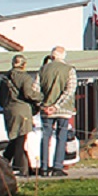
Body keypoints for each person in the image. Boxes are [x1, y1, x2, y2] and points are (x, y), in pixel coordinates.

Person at [0, 54, 41, 177]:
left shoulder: (5, 78)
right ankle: (21, 168)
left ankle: (4, 161)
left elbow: (0, 97)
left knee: (14, 138)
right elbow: (28, 94)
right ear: (24, 64)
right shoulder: (25, 78)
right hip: (22, 110)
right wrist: (40, 97)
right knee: (21, 138)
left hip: (9, 110)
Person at [38, 46, 78, 177]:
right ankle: (57, 166)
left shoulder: (42, 69)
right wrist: (56, 106)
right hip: (63, 109)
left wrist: (43, 106)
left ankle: (44, 167)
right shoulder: (69, 70)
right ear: (63, 56)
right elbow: (70, 90)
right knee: (61, 137)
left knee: (45, 137)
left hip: (45, 109)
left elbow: (35, 90)